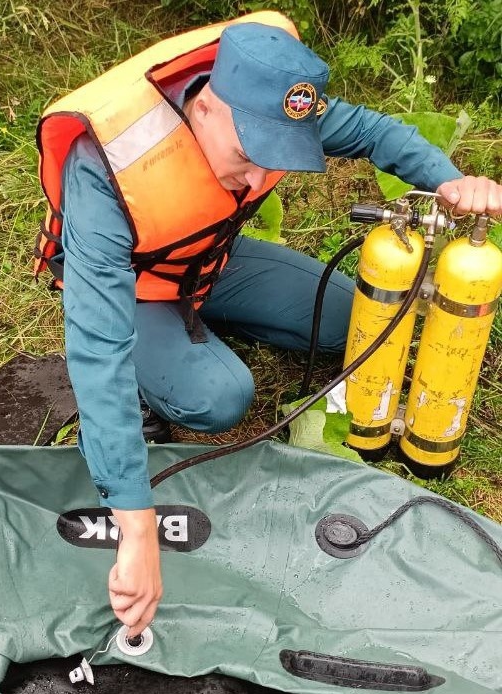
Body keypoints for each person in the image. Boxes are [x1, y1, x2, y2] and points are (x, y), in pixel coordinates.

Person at [35, 13, 502, 639]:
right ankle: (168, 370)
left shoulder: (280, 103)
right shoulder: (108, 166)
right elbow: (97, 350)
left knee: (352, 319)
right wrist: (136, 523)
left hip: (209, 263)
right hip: (137, 289)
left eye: (277, 156)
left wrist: (448, 180)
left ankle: (195, 328)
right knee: (220, 396)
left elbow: (372, 130)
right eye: (249, 154)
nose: (257, 180)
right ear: (205, 109)